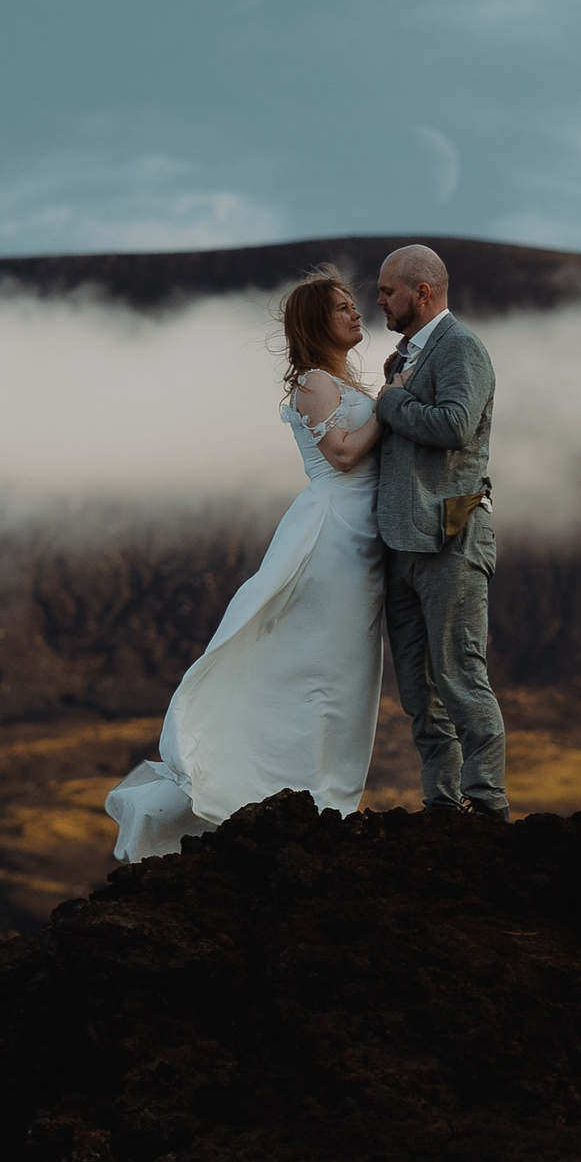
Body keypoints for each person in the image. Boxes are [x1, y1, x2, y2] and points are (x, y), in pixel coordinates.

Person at [102, 265, 387, 860]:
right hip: (332, 536)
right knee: (319, 669)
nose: (356, 313)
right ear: (316, 322)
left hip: (364, 539)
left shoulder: (342, 382)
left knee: (348, 672)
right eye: (342, 307)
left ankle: (326, 796)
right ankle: (289, 791)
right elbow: (339, 454)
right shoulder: (313, 381)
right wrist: (394, 408)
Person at [373, 243, 507, 818]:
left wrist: (390, 404)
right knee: (417, 692)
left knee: (459, 674)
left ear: (421, 293)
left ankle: (485, 799)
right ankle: (442, 804)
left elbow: (456, 424)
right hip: (400, 545)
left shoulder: (462, 349)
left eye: (386, 291)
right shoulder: (399, 358)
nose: (377, 300)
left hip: (452, 537)